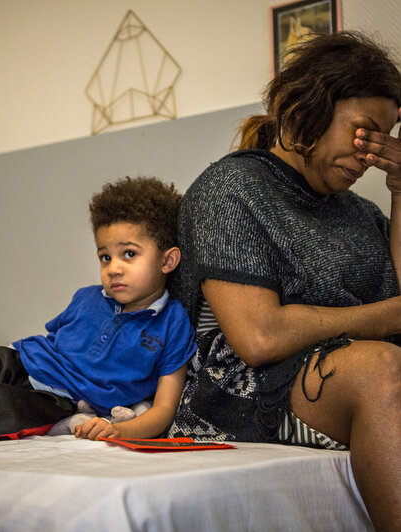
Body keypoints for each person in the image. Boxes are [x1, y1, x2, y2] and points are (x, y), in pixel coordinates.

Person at [167, 32, 401, 531]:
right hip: (239, 393)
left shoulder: (359, 213)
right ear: (307, 110)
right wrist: (385, 318)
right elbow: (259, 337)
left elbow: (398, 293)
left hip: (332, 370)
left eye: (384, 138)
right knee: (381, 366)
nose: (370, 155)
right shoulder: (229, 189)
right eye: (363, 132)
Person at [0, 176, 197, 447]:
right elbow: (53, 341)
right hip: (19, 361)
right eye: (105, 257)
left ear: (168, 261)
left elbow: (165, 407)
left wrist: (120, 430)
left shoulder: (173, 323)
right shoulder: (87, 298)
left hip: (59, 400)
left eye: (129, 254)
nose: (113, 269)